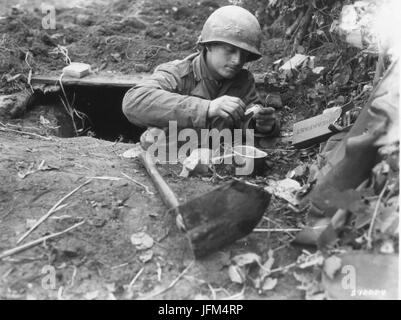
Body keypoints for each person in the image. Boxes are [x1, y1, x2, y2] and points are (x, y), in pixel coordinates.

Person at [122, 5, 280, 148]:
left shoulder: (243, 81)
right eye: (230, 50)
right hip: (170, 161)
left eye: (244, 54)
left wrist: (260, 125)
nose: (237, 60)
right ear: (209, 45)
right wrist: (207, 108)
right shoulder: (178, 74)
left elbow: (247, 120)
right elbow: (134, 101)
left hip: (217, 167)